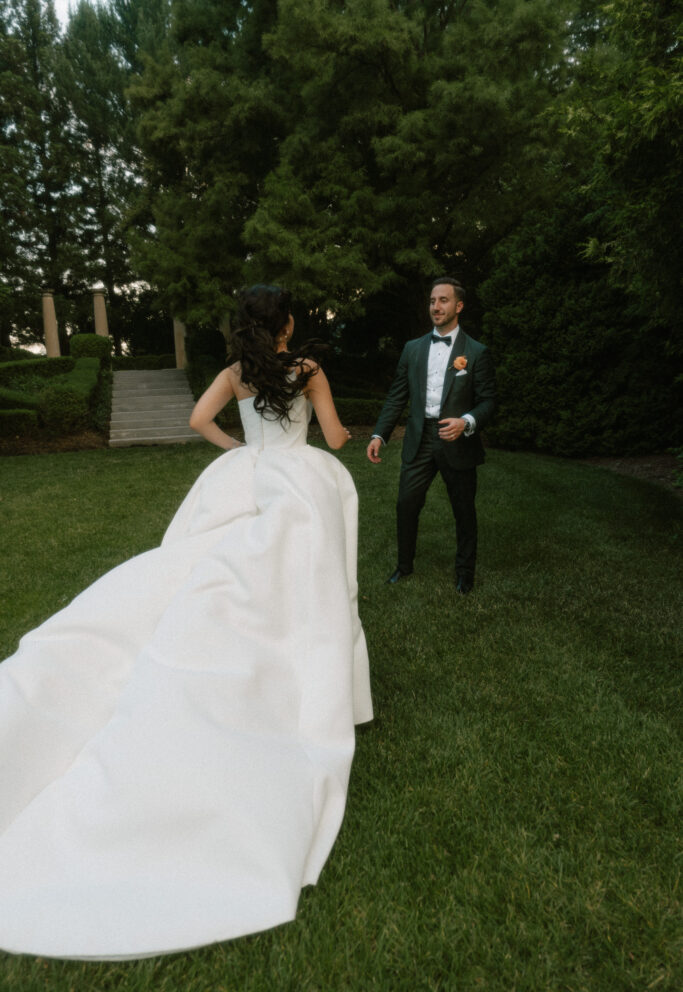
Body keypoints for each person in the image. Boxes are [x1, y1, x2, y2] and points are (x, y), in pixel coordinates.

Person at [0, 284, 372, 960]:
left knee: (221, 567)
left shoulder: (236, 374)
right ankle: (307, 675)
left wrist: (242, 451)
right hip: (299, 480)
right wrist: (351, 439)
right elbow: (337, 436)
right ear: (287, 324)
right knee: (305, 581)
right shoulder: (308, 371)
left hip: (249, 474)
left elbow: (199, 421)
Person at [367, 278, 496, 593]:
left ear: (458, 306)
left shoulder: (476, 352)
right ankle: (404, 566)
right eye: (432, 301)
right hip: (420, 438)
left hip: (458, 440)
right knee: (406, 504)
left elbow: (489, 401)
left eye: (443, 301)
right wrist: (379, 434)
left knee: (463, 510)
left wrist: (465, 422)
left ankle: (465, 574)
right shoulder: (413, 349)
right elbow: (397, 396)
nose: (436, 307)